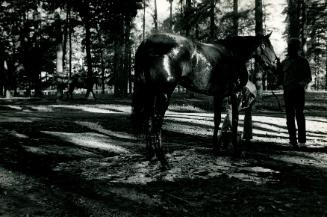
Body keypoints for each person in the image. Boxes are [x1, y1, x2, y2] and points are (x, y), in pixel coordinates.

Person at [277, 38, 312, 148]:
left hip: (298, 92)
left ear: (297, 48)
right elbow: (279, 77)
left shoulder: (303, 61)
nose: (291, 48)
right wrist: (276, 67)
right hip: (287, 92)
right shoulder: (284, 62)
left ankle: (302, 141)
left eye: (293, 46)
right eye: (290, 46)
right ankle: (292, 141)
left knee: (300, 116)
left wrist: (300, 84)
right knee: (289, 117)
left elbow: (308, 78)